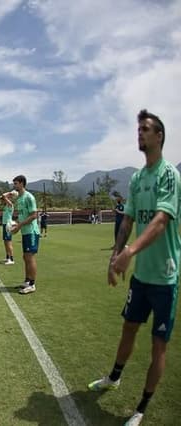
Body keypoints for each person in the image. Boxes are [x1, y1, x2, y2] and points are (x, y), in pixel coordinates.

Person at [88, 110, 180, 426]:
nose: (139, 134)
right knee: (128, 327)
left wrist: (130, 251)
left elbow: (160, 220)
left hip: (165, 279)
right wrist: (115, 256)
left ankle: (141, 408)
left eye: (145, 129)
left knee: (158, 345)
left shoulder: (169, 175)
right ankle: (114, 378)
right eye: (138, 129)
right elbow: (128, 219)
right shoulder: (139, 179)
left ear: (159, 136)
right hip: (141, 277)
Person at [9, 175, 40, 294]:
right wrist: (15, 224)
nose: (14, 186)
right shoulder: (20, 198)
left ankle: (32, 284)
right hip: (25, 232)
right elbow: (23, 215)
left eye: (16, 183)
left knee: (30, 257)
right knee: (25, 257)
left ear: (22, 183)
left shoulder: (29, 197)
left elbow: (33, 215)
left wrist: (19, 226)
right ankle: (27, 281)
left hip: (31, 232)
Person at [1, 191, 16, 265]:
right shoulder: (6, 206)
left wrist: (9, 193)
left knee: (8, 242)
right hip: (5, 224)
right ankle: (7, 257)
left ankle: (11, 259)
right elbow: (2, 197)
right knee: (5, 242)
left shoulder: (10, 205)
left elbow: (3, 196)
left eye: (4, 199)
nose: (2, 200)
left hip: (8, 225)